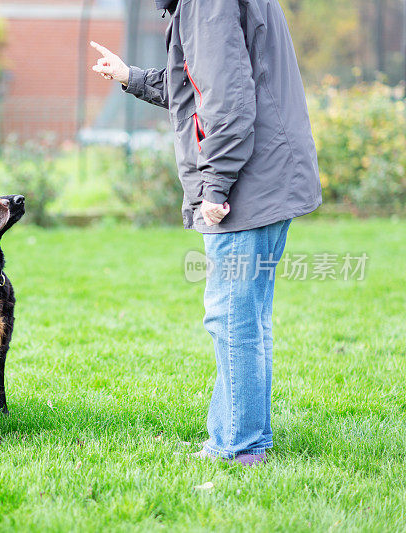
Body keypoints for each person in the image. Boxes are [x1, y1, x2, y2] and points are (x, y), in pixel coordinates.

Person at [91, 0, 322, 465]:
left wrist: (214, 186)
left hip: (246, 185)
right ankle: (241, 437)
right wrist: (129, 76)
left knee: (232, 317)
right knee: (248, 318)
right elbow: (193, 84)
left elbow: (227, 97)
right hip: (267, 177)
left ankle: (238, 447)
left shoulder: (207, 2)